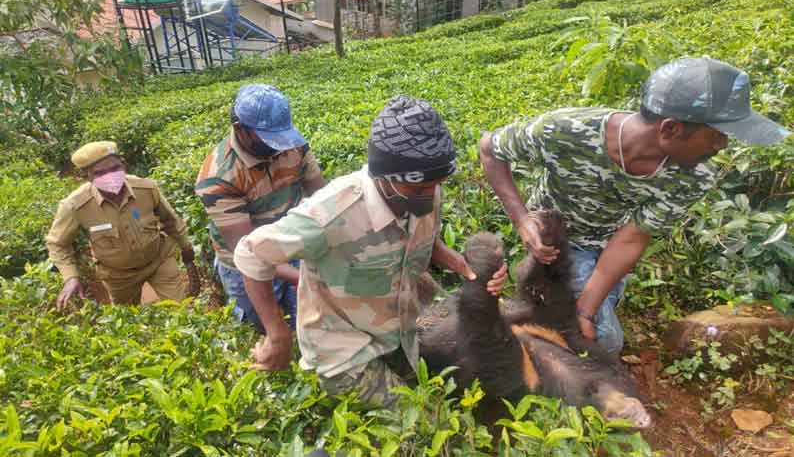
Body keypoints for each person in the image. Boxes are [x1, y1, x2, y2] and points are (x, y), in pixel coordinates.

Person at [479, 57, 790, 355]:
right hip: (555, 238)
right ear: (670, 129)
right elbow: (490, 149)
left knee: (601, 339)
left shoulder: (696, 175)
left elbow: (633, 237)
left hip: (608, 245)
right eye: (717, 136)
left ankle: (583, 295)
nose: (723, 146)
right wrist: (521, 220)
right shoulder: (564, 130)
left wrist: (586, 312)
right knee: (591, 338)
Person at [233, 95, 508, 406]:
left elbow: (424, 239)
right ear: (385, 178)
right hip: (345, 353)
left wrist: (462, 265)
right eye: (418, 189)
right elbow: (249, 254)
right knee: (425, 427)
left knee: (461, 388)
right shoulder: (331, 214)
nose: (429, 196)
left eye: (437, 184)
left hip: (398, 333)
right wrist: (277, 336)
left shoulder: (424, 184)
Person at [195, 84, 325, 334]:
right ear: (240, 130)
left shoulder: (294, 146)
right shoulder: (219, 177)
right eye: (268, 139)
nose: (278, 147)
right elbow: (249, 252)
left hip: (293, 247)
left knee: (308, 322)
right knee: (265, 329)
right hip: (246, 265)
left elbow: (321, 199)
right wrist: (309, 280)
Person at [47, 141, 196, 309]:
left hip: (158, 261)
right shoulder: (75, 206)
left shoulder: (145, 188)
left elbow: (170, 220)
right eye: (100, 173)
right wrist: (70, 277)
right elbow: (57, 244)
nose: (110, 176)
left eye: (114, 168)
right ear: (87, 176)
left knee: (182, 310)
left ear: (123, 165)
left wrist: (185, 246)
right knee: (127, 321)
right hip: (118, 276)